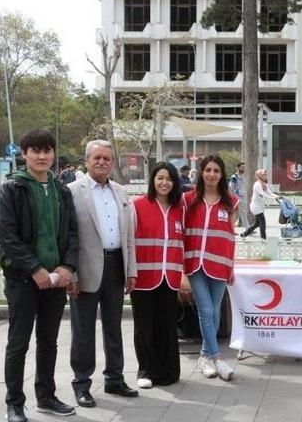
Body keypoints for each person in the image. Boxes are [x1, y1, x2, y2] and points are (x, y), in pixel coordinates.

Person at [0, 129, 78, 422]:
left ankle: (46, 396)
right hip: (22, 279)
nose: (42, 156)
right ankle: (15, 404)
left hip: (55, 281)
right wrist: (35, 268)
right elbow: (7, 236)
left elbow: (71, 233)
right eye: (35, 151)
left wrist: (67, 266)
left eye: (47, 150)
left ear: (53, 154)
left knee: (48, 341)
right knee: (18, 342)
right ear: (24, 154)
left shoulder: (62, 190)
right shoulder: (13, 188)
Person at [68, 140, 139, 407]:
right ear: (86, 160)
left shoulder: (120, 192)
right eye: (96, 157)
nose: (102, 162)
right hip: (85, 269)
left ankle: (115, 378)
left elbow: (129, 234)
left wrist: (131, 269)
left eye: (107, 158)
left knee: (114, 327)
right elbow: (68, 236)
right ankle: (82, 384)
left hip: (115, 267)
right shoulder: (73, 191)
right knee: (83, 330)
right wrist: (71, 274)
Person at [183, 155, 239, 381]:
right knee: (206, 311)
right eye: (208, 170)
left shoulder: (231, 201)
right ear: (201, 172)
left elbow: (230, 237)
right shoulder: (188, 199)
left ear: (221, 174)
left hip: (220, 264)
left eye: (216, 170)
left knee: (215, 312)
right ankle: (217, 358)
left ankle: (204, 356)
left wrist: (231, 267)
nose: (212, 174)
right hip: (194, 264)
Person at [131, 162, 186, 389]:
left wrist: (184, 273)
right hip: (143, 277)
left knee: (166, 324)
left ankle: (169, 371)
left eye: (169, 179)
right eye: (160, 178)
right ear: (153, 180)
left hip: (169, 276)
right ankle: (145, 370)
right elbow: (129, 242)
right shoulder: (137, 206)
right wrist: (129, 273)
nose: (165, 183)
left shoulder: (179, 209)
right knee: (145, 325)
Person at [241, 169, 280, 239]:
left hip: (260, 207)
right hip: (255, 207)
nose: (265, 176)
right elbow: (262, 194)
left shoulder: (264, 184)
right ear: (260, 176)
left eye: (266, 174)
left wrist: (278, 197)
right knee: (263, 223)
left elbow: (270, 193)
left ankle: (244, 234)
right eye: (264, 175)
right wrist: (274, 199)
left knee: (256, 224)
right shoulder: (257, 184)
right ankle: (263, 238)